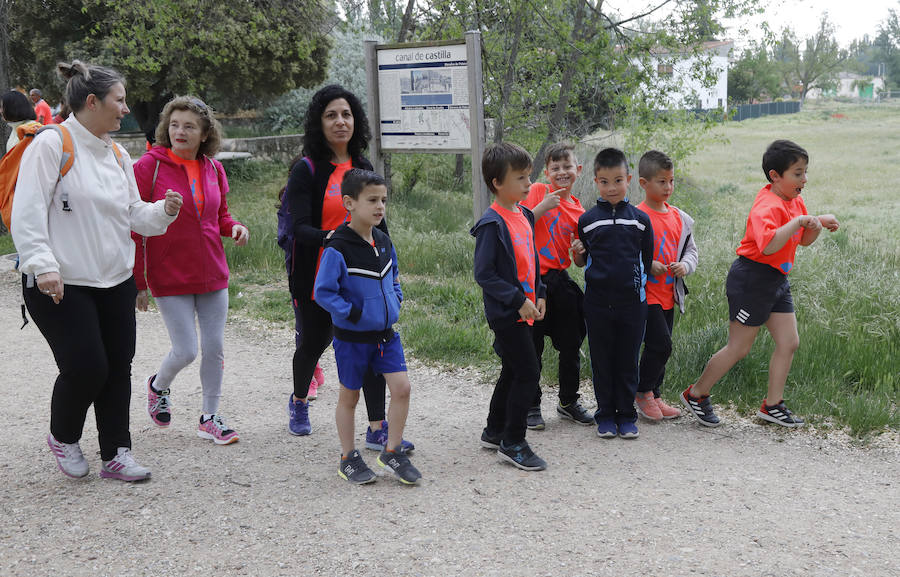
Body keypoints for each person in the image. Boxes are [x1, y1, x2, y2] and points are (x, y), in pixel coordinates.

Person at [12, 60, 183, 481]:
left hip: (115, 280)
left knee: (118, 367)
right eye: (119, 100)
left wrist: (162, 211)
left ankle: (117, 453)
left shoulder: (117, 154)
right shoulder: (52, 144)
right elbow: (26, 212)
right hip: (61, 282)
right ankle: (63, 436)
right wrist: (43, 266)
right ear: (92, 102)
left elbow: (132, 213)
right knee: (88, 367)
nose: (125, 109)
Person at [283, 84, 412, 452]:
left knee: (370, 345)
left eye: (346, 114)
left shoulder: (363, 167)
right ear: (319, 123)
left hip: (364, 277)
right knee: (314, 342)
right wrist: (339, 240)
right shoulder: (307, 169)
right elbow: (299, 227)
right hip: (316, 275)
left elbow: (378, 219)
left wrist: (387, 256)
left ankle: (376, 428)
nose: (340, 122)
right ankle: (299, 400)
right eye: (331, 116)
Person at [681, 140, 839, 428]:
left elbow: (802, 240)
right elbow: (768, 246)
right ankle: (696, 394)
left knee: (789, 342)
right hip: (751, 279)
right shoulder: (766, 206)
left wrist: (815, 224)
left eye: (805, 172)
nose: (804, 179)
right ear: (775, 176)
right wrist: (801, 221)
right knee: (739, 347)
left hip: (776, 279)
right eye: (798, 173)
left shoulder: (794, 200)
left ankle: (772, 405)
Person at [132, 95, 248, 445]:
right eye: (174, 125)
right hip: (169, 273)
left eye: (189, 126)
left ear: (205, 133)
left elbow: (220, 215)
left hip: (213, 271)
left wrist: (234, 227)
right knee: (186, 350)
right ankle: (158, 386)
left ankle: (209, 417)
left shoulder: (213, 168)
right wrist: (139, 281)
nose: (180, 132)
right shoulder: (148, 167)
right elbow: (134, 226)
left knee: (214, 348)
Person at [314, 169, 421, 485]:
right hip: (352, 339)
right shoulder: (337, 248)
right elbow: (323, 292)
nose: (380, 207)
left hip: (386, 336)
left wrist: (396, 299)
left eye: (383, 200)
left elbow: (395, 275)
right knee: (350, 397)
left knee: (402, 388)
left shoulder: (384, 241)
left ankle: (392, 451)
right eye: (372, 200)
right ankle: (348, 457)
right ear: (349, 203)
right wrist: (352, 312)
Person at [471, 142, 548, 471]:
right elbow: (485, 274)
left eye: (528, 176)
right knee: (529, 372)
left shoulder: (525, 215)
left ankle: (494, 431)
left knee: (513, 369)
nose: (529, 183)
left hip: (527, 309)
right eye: (520, 178)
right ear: (497, 183)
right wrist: (518, 300)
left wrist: (540, 292)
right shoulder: (492, 224)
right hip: (507, 313)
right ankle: (513, 442)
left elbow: (533, 261)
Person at [578, 147, 653, 440]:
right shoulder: (587, 221)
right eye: (605, 181)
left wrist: (638, 289)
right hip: (597, 304)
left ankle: (627, 415)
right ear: (596, 182)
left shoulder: (640, 220)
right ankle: (606, 415)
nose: (612, 188)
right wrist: (577, 255)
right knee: (602, 361)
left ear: (629, 180)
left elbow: (646, 259)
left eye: (618, 180)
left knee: (628, 360)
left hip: (633, 304)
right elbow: (584, 259)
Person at [519, 142, 593, 430]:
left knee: (571, 343)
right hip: (532, 282)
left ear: (578, 170)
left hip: (560, 280)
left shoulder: (579, 211)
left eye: (567, 167)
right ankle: (531, 404)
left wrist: (580, 251)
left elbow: (578, 262)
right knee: (532, 346)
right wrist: (542, 207)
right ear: (547, 172)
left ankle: (568, 401)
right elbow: (518, 225)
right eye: (556, 168)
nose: (562, 172)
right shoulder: (538, 191)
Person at [633, 150, 697, 421]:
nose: (668, 187)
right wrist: (648, 264)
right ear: (643, 183)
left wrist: (685, 266)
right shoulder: (636, 216)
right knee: (661, 344)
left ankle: (655, 394)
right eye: (661, 181)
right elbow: (626, 254)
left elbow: (691, 251)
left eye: (671, 181)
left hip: (670, 295)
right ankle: (642, 391)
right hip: (645, 295)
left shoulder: (680, 218)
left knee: (660, 346)